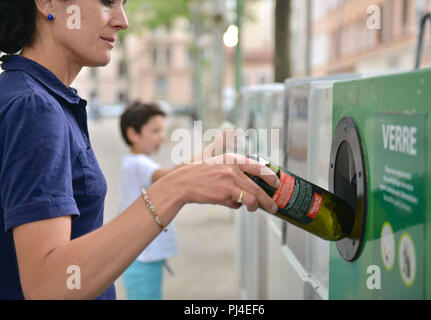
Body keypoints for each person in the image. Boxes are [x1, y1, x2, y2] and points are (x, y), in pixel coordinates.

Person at [0, 0, 280, 300]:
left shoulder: (28, 95)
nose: (122, 21)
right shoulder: (34, 107)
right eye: (107, 2)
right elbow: (47, 287)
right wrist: (176, 188)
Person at [119, 102, 178, 300]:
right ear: (133, 134)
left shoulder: (135, 163)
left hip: (143, 258)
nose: (161, 136)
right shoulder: (138, 164)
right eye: (155, 131)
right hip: (143, 259)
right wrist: (215, 149)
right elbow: (174, 175)